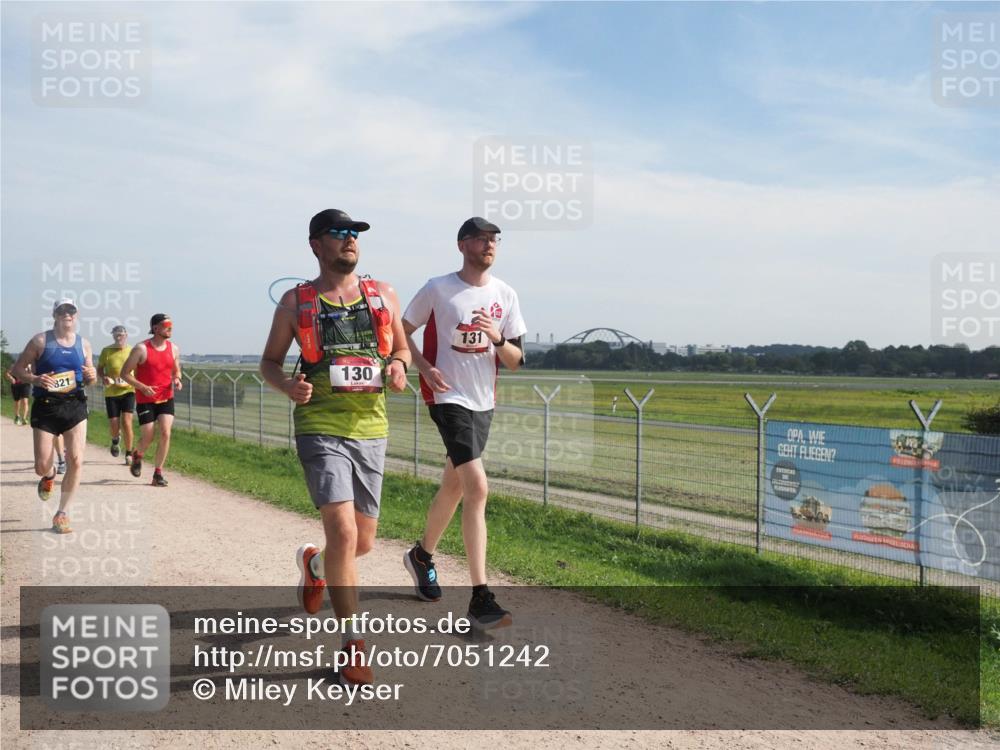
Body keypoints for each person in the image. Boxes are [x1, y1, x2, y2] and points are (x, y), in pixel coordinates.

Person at [260, 208, 409, 687]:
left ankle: (315, 565)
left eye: (354, 234)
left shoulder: (383, 294)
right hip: (320, 425)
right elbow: (268, 363)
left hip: (372, 428)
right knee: (344, 534)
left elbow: (402, 349)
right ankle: (352, 643)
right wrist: (287, 385)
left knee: (361, 542)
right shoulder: (295, 301)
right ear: (315, 244)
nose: (349, 240)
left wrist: (400, 367)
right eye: (339, 233)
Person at [401, 217, 527, 630]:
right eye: (480, 238)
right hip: (445, 394)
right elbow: (400, 333)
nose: (489, 244)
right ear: (462, 244)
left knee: (454, 485)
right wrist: (421, 366)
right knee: (477, 486)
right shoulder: (438, 288)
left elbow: (517, 360)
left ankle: (421, 555)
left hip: (482, 401)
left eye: (494, 239)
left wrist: (497, 337)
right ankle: (480, 598)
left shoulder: (505, 294)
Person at [11, 299, 98, 534]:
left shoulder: (84, 345)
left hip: (75, 405)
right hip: (47, 406)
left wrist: (92, 375)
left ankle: (62, 513)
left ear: (76, 315)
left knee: (77, 460)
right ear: (55, 315)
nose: (67, 315)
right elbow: (17, 370)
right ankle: (49, 475)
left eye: (71, 311)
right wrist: (35, 379)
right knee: (41, 465)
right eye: (62, 311)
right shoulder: (40, 341)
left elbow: (91, 379)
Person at [121, 314, 182, 487]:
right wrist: (141, 387)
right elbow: (124, 373)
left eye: (171, 325)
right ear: (155, 328)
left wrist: (177, 379)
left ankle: (158, 474)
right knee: (148, 436)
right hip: (145, 399)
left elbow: (176, 371)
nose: (170, 328)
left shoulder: (174, 349)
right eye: (166, 325)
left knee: (165, 432)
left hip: (166, 397)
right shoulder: (141, 349)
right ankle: (138, 455)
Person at [97, 325, 136, 464]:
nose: (119, 337)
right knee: (114, 423)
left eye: (121, 334)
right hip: (111, 392)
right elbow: (99, 369)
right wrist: (104, 377)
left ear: (126, 335)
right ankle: (115, 440)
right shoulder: (106, 351)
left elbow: (139, 369)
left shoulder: (132, 351)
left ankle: (129, 453)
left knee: (126, 422)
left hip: (128, 391)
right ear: (113, 336)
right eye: (116, 334)